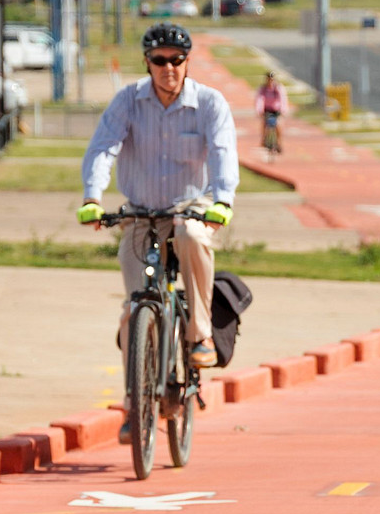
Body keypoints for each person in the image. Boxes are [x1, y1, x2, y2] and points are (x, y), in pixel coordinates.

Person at [77, 23, 237, 368]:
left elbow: (223, 152)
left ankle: (200, 335)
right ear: (147, 62)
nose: (168, 68)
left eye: (176, 60)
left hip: (191, 206)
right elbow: (104, 148)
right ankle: (135, 403)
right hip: (141, 211)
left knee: (191, 235)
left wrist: (223, 201)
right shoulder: (128, 100)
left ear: (187, 61)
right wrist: (92, 197)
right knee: (133, 311)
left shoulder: (209, 103)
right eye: (159, 59)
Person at [255, 71, 287, 158]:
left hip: (276, 110)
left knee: (278, 125)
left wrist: (283, 110)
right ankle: (263, 139)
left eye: (272, 79)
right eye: (269, 79)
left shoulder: (278, 88)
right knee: (264, 124)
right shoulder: (263, 89)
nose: (270, 81)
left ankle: (279, 142)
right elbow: (259, 99)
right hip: (267, 110)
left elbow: (282, 99)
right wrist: (259, 110)